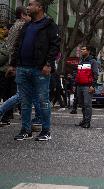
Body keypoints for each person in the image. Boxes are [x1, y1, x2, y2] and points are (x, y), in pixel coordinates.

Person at [9, 0, 60, 141]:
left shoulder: (50, 25)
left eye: (31, 4)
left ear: (40, 7)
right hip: (22, 68)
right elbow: (18, 45)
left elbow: (55, 47)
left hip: (40, 69)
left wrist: (48, 64)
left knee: (43, 101)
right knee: (25, 102)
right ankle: (26, 130)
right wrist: (13, 64)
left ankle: (46, 131)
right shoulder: (27, 25)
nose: (28, 7)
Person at [74, 46, 98, 128]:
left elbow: (95, 74)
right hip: (79, 86)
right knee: (82, 105)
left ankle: (87, 122)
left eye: (84, 49)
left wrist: (92, 86)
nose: (81, 51)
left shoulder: (93, 61)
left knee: (87, 105)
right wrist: (75, 84)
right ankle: (84, 120)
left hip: (87, 86)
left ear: (88, 51)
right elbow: (78, 74)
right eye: (81, 49)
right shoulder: (80, 61)